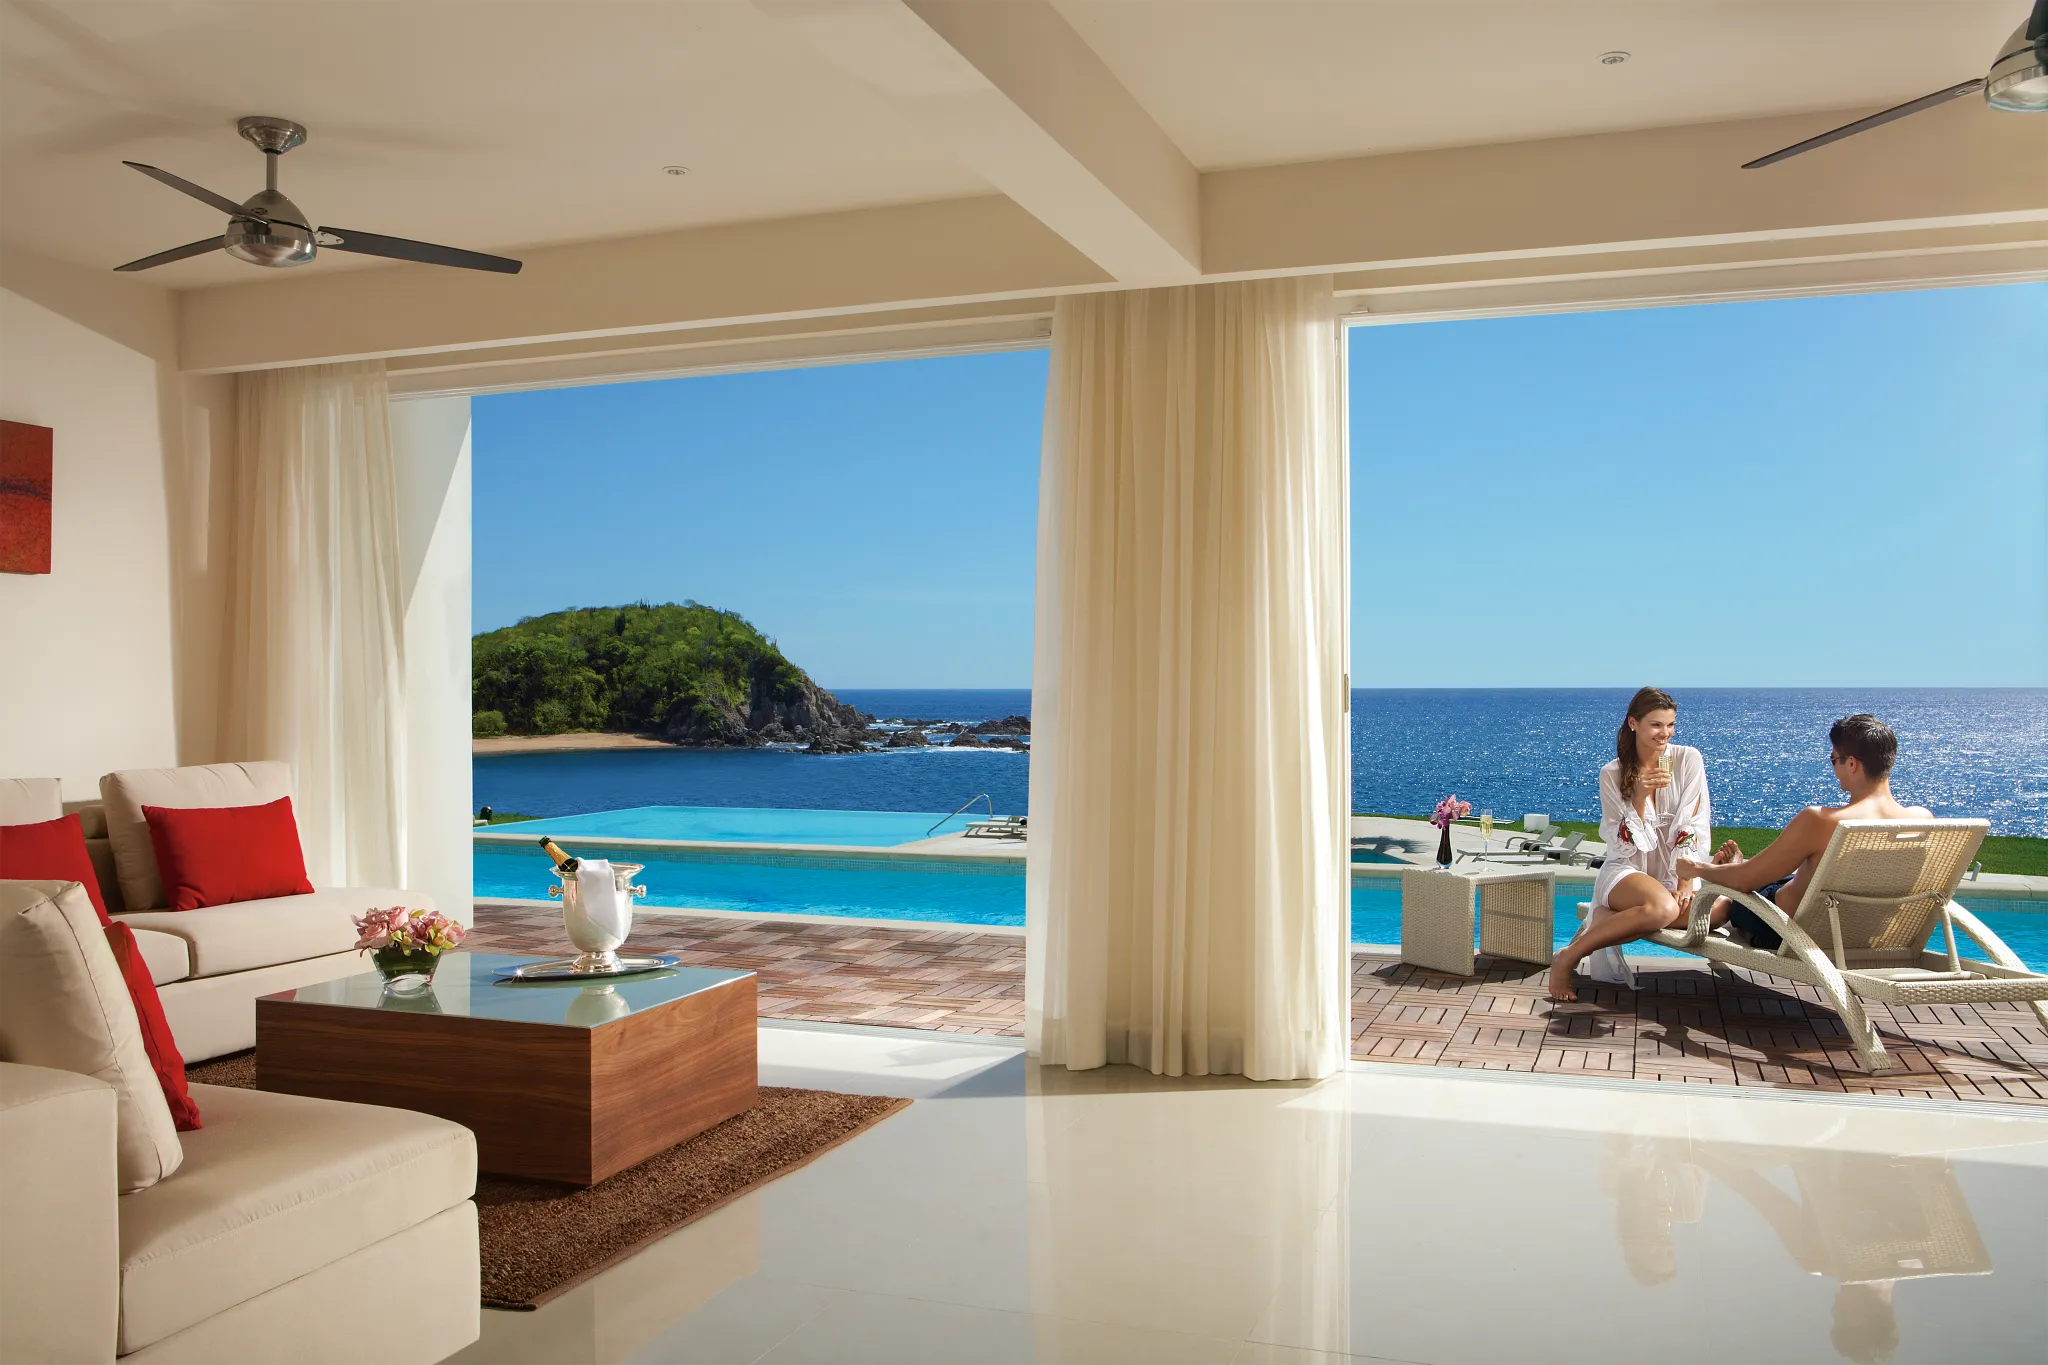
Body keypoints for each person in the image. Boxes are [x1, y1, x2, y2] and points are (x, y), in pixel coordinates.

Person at [1677, 713, 1930, 950]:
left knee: (1740, 893)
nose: (1833, 768)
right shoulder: (1921, 819)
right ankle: (1738, 866)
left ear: (1851, 763)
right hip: (1868, 931)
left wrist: (1697, 869)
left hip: (1790, 927)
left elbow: (1745, 881)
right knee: (1779, 875)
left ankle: (1733, 868)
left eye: (1834, 760)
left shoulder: (1821, 820)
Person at [1546, 687, 1711, 1003]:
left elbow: (1692, 820)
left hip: (1674, 870)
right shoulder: (1612, 773)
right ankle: (1568, 956)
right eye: (1656, 725)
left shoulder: (1689, 759)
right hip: (1627, 870)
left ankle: (1608, 920)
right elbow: (1621, 845)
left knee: (1715, 911)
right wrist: (1637, 799)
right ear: (1633, 723)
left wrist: (1685, 881)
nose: (1665, 733)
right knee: (1663, 907)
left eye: (1670, 725)